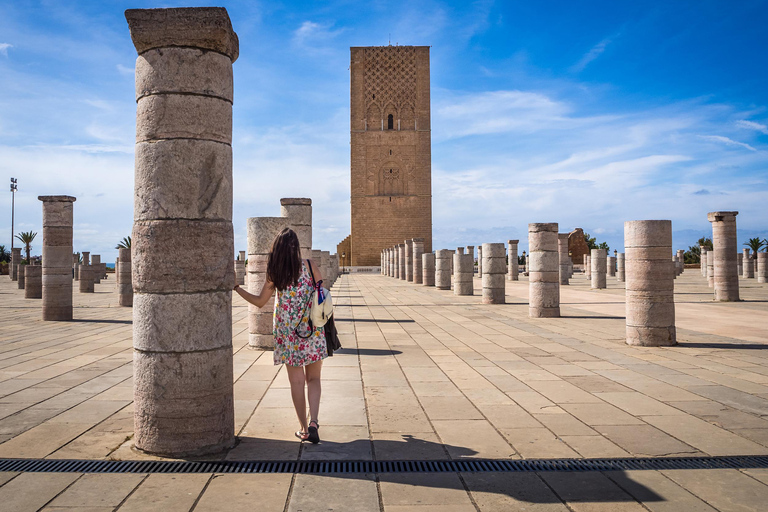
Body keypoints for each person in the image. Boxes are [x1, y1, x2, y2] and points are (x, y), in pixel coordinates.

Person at [233, 228, 326, 443]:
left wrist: (237, 288)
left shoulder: (275, 272)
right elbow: (322, 294)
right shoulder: (310, 266)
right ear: (297, 248)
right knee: (314, 378)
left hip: (288, 334)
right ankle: (314, 423)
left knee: (296, 382)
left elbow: (259, 301)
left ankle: (303, 428)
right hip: (312, 329)